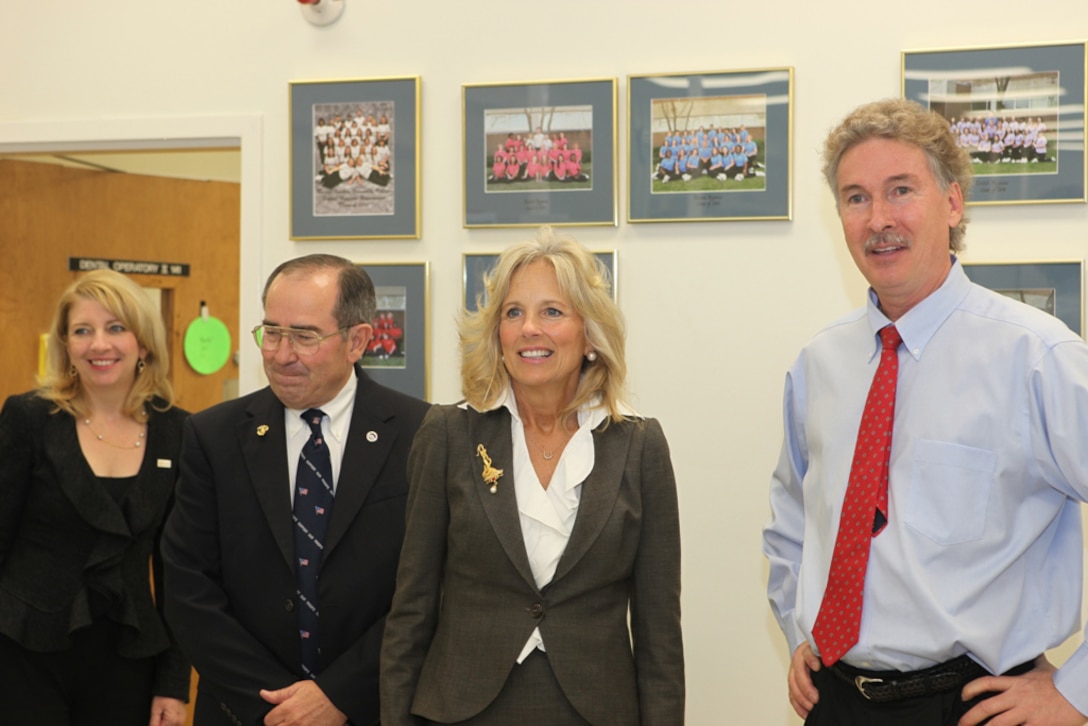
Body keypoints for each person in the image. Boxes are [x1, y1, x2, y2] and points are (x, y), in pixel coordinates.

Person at [762, 97, 1088, 726]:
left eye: (901, 190)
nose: (879, 219)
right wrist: (796, 626)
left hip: (979, 706)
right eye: (856, 198)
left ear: (954, 203)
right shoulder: (819, 364)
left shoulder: (1037, 358)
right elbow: (793, 518)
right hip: (836, 702)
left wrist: (1076, 692)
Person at [380, 227, 685, 725]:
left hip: (594, 712)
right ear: (497, 335)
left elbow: (659, 635)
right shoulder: (449, 434)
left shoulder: (638, 445)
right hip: (461, 710)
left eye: (552, 312)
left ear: (589, 335)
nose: (529, 329)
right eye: (513, 312)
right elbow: (410, 610)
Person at [162, 254, 430, 726]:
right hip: (244, 711)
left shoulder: (422, 433)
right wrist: (278, 707)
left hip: (373, 708)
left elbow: (432, 588)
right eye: (271, 332)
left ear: (358, 341)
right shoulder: (213, 437)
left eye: (304, 336)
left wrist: (337, 696)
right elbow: (188, 588)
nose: (281, 354)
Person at [0, 269, 190, 726]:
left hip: (128, 653)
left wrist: (173, 682)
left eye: (116, 328)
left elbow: (179, 571)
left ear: (143, 343)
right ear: (66, 345)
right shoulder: (29, 418)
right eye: (82, 331)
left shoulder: (178, 431)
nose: (98, 345)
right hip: (25, 650)